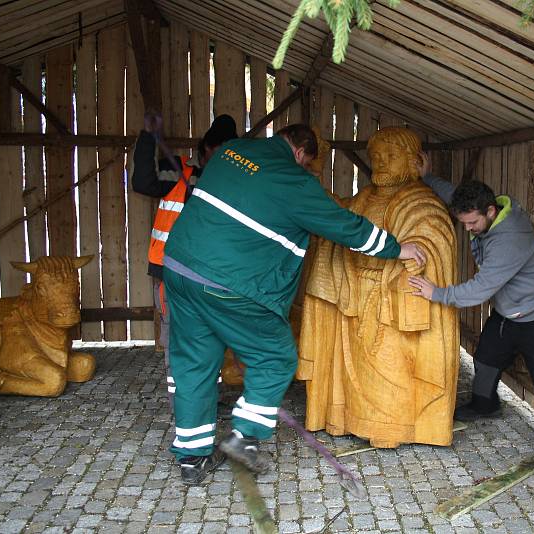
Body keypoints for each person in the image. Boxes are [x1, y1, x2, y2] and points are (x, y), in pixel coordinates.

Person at [161, 124, 426, 484]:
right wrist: (398, 248)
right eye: (310, 164)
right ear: (302, 154)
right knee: (275, 357)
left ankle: (192, 460)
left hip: (180, 267)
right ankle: (245, 436)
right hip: (231, 283)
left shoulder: (229, 152)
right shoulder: (294, 181)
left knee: (194, 363)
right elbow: (346, 227)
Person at [408, 157, 534, 483]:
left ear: (489, 213)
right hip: (507, 312)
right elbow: (455, 193)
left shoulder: (508, 238)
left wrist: (437, 293)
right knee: (485, 358)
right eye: (464, 224)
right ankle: (485, 405)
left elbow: (479, 290)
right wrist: (428, 177)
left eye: (472, 224)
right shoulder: (485, 206)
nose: (468, 229)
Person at [297, 127, 459, 448]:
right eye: (376, 158)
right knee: (354, 369)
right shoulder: (364, 197)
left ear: (414, 162)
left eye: (392, 156)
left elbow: (435, 234)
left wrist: (416, 251)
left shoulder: (421, 200)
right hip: (353, 293)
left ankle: (393, 426)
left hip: (390, 298)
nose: (381, 164)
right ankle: (349, 418)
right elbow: (336, 216)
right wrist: (311, 182)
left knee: (390, 367)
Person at [131, 112, 238, 411]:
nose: (220, 158)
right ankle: (183, 405)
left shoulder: (237, 186)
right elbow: (142, 181)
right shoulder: (177, 172)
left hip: (212, 278)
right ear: (204, 149)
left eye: (228, 154)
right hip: (170, 274)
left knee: (211, 339)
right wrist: (147, 137)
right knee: (177, 338)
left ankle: (208, 400)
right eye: (216, 151)